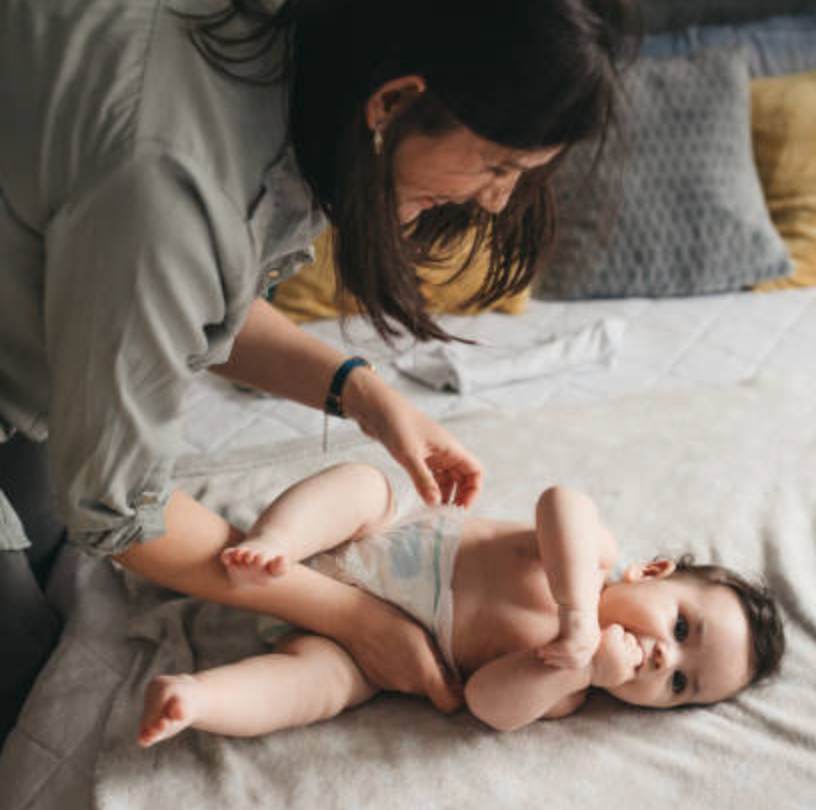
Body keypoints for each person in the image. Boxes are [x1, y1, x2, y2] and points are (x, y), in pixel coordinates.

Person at [0, 0, 640, 745]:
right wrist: (358, 619)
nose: (497, 201)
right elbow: (115, 504)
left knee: (59, 568)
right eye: (497, 166)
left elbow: (182, 295)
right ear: (396, 101)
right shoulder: (170, 179)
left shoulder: (293, 51)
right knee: (26, 661)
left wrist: (358, 390)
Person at [137, 463, 785, 744]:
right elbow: (560, 500)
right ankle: (276, 540)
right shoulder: (592, 555)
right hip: (366, 542)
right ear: (651, 570)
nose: (661, 657)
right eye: (679, 626)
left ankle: (199, 699)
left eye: (679, 682)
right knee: (367, 487)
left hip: (355, 650)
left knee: (324, 687)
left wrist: (578, 665)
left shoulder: (564, 693)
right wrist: (579, 615)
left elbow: (488, 705)